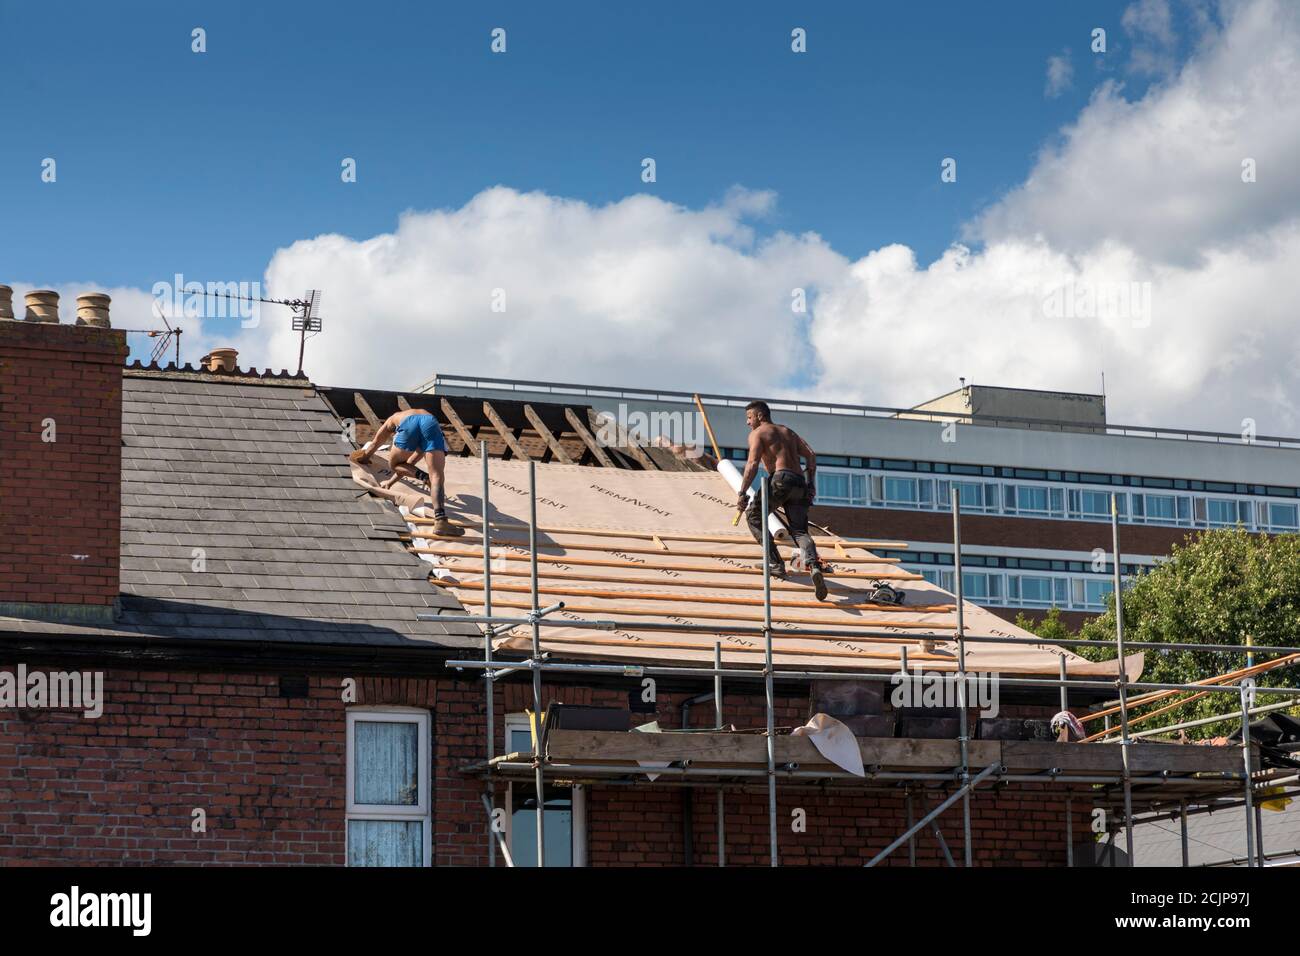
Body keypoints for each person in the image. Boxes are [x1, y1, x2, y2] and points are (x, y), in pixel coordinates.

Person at [735, 400, 827, 600]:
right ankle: (813, 565)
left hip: (780, 479)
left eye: (749, 418)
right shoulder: (788, 432)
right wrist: (811, 484)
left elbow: (752, 464)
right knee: (800, 530)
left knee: (754, 516)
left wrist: (742, 493)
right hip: (799, 483)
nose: (747, 423)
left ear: (760, 416)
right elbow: (810, 455)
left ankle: (776, 564)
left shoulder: (758, 433)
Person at [350, 408, 464, 536]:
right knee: (436, 476)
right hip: (431, 423)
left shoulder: (394, 418)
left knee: (394, 464)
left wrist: (364, 458)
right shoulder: (429, 426)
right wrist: (391, 482)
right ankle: (441, 521)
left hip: (408, 422)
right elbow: (410, 464)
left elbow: (376, 443)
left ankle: (425, 478)